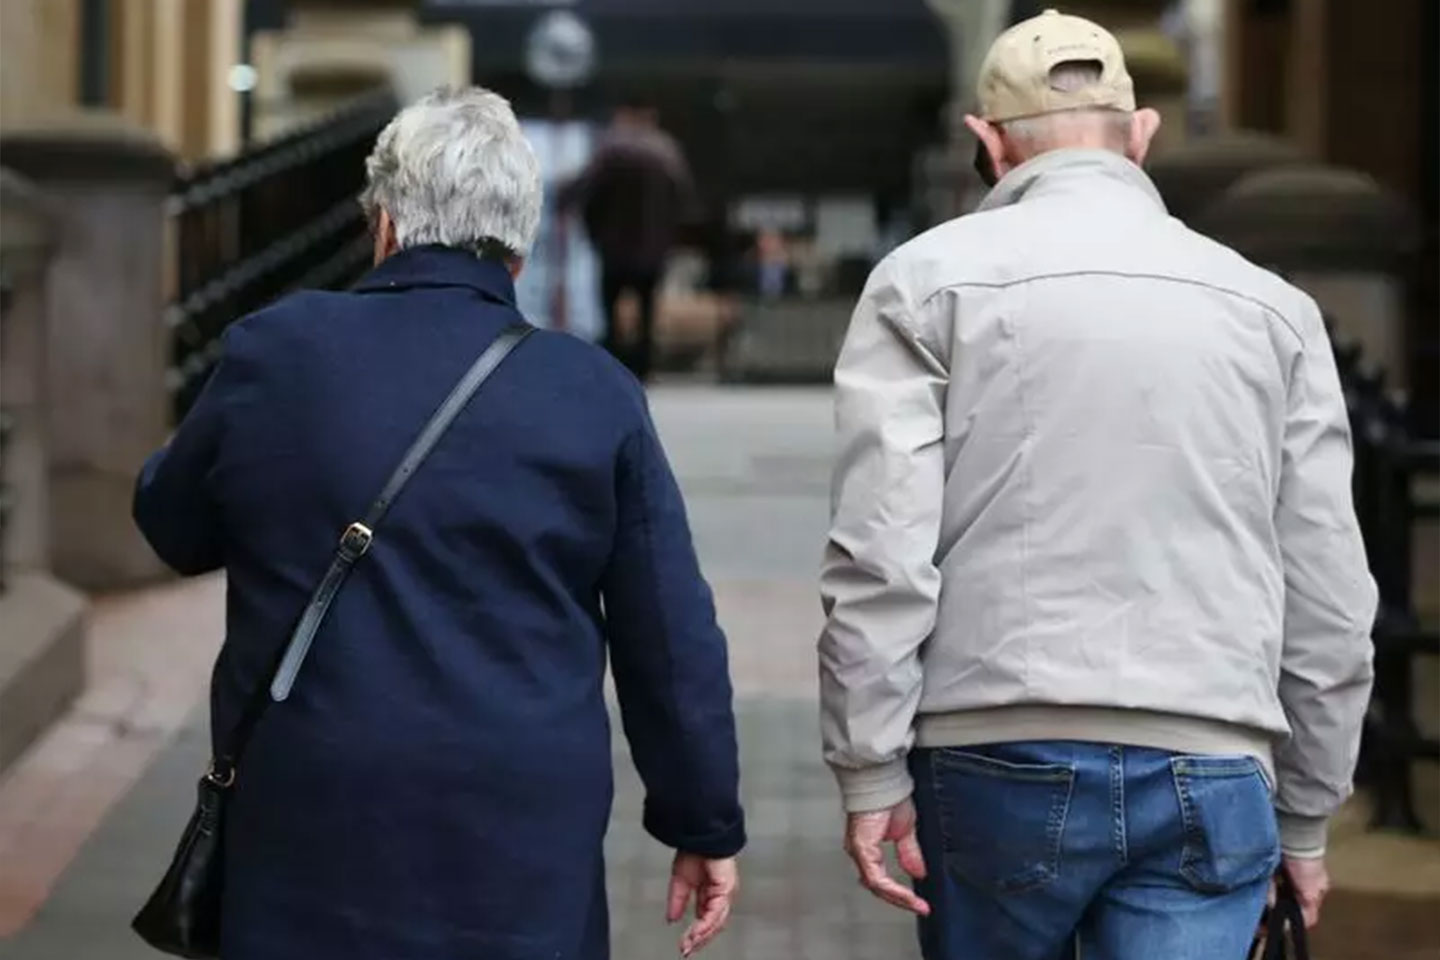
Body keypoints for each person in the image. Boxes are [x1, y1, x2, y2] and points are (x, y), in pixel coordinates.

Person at [133, 87, 743, 960]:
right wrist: (703, 818)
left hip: (311, 808)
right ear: (519, 252)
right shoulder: (592, 391)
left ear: (383, 225)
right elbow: (669, 635)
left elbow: (170, 526)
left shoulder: (274, 350)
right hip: (519, 829)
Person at [819, 10, 1376, 960]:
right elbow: (1328, 586)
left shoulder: (924, 283)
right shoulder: (1273, 310)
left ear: (985, 143)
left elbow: (881, 551)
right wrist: (1309, 815)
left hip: (993, 748)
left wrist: (869, 769)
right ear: (1143, 135)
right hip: (1214, 749)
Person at [562, 97, 696, 382]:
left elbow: (582, 191)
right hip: (652, 248)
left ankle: (614, 365)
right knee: (647, 310)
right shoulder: (665, 153)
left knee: (610, 311)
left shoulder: (609, 151)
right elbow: (683, 199)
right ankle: (644, 366)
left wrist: (590, 226)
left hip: (614, 247)